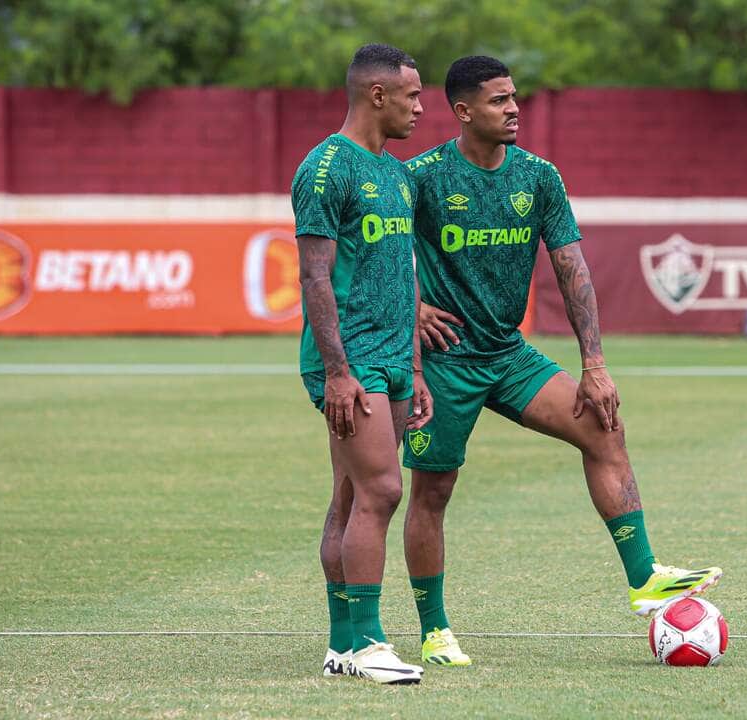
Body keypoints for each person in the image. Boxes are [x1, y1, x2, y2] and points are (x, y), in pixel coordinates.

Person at [401, 56, 722, 667]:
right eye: (499, 100)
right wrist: (412, 308)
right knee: (434, 492)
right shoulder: (421, 177)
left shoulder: (540, 177)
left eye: (514, 97)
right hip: (446, 362)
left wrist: (594, 363)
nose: (514, 108)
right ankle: (435, 630)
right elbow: (378, 253)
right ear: (464, 112)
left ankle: (645, 577)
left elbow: (573, 267)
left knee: (603, 424)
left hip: (508, 354)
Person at [292, 43, 432, 685]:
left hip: (394, 359)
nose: (421, 108)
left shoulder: (396, 174)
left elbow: (403, 277)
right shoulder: (326, 168)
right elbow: (315, 276)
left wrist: (417, 369)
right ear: (378, 95)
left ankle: (341, 645)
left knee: (350, 496)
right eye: (412, 96)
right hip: (349, 362)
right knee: (382, 490)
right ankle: (373, 643)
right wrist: (338, 372)